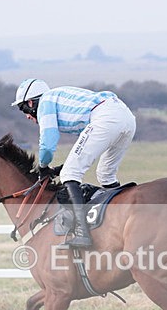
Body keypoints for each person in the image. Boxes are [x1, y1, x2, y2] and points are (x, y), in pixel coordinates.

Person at [11, 79, 137, 248]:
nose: (27, 115)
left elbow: (48, 145)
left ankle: (81, 232)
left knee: (70, 174)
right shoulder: (58, 98)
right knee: (105, 174)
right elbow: (86, 147)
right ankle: (120, 218)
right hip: (126, 117)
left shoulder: (45, 103)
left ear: (31, 102)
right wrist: (57, 168)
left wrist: (42, 167)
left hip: (106, 117)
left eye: (23, 109)